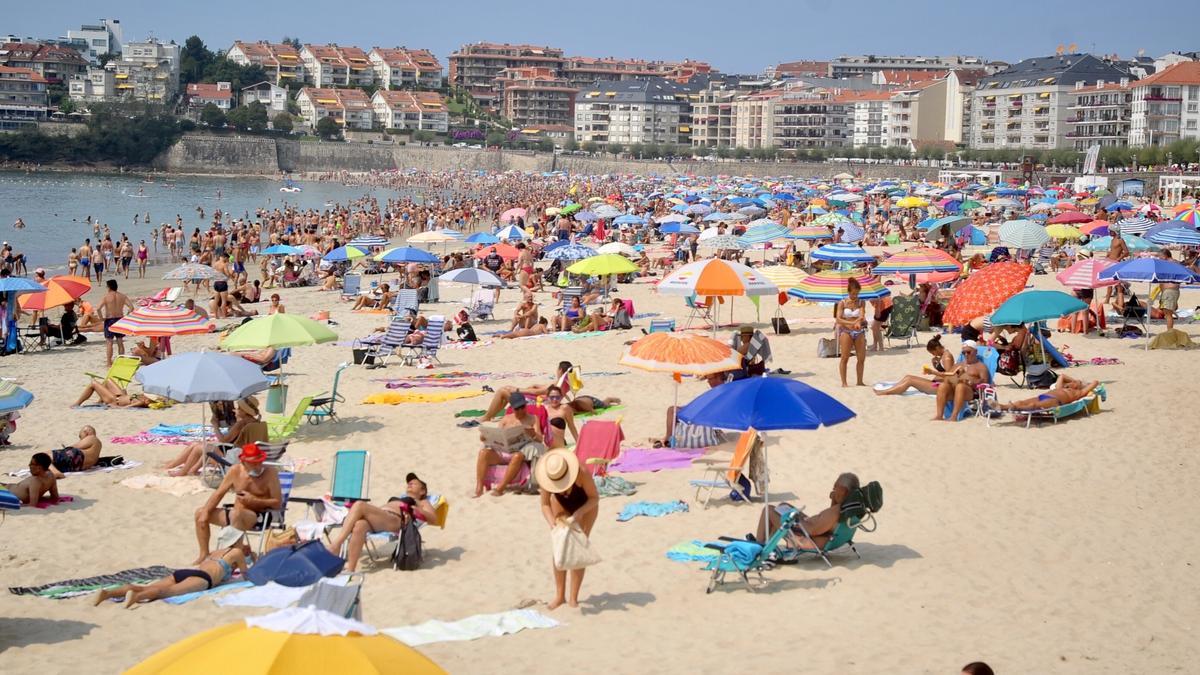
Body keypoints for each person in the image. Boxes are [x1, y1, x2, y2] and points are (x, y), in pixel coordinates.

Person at [326, 473, 439, 572]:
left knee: (359, 505)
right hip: (381, 518)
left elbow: (434, 519)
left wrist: (417, 509)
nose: (409, 483)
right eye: (409, 482)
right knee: (359, 526)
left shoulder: (421, 501)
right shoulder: (400, 497)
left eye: (414, 483)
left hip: (395, 520)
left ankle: (336, 545)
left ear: (422, 490)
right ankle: (351, 568)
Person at [193, 443, 281, 564]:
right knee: (200, 513)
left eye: (259, 461)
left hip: (258, 515)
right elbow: (219, 493)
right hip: (235, 514)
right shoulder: (235, 471)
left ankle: (235, 556)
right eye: (254, 463)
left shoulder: (270, 473)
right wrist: (206, 511)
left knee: (236, 514)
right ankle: (204, 554)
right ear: (244, 462)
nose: (257, 465)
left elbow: (277, 503)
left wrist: (254, 500)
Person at [93, 544, 251, 609]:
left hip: (182, 572)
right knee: (166, 592)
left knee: (149, 586)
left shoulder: (216, 552)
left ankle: (108, 593)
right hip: (203, 579)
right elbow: (246, 575)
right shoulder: (236, 553)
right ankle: (136, 596)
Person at [537, 448, 599, 610]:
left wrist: (579, 513)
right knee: (560, 546)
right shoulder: (547, 476)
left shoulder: (582, 472)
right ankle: (559, 596)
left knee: (577, 547)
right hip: (560, 504)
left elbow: (594, 498)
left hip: (585, 505)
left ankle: (573, 597)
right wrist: (552, 524)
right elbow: (544, 504)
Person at [755, 473, 859, 550]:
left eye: (836, 486)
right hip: (814, 527)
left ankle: (758, 548)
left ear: (844, 490)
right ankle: (768, 544)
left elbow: (811, 530)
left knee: (768, 510)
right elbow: (828, 524)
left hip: (805, 534)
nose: (833, 487)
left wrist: (797, 520)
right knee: (783, 506)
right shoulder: (846, 508)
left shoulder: (835, 513)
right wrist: (834, 498)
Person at [163, 397, 266, 476]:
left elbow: (222, 440)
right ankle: (174, 465)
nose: (236, 410)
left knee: (201, 447)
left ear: (244, 411)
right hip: (247, 455)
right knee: (196, 444)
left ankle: (182, 472)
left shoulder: (241, 423)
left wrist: (215, 425)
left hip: (235, 458)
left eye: (239, 408)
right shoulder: (257, 423)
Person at [474, 392, 545, 497]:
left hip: (520, 453)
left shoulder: (533, 419)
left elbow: (540, 439)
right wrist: (485, 438)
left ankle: (500, 488)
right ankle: (479, 488)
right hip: (503, 451)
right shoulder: (506, 419)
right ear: (512, 408)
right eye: (517, 408)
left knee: (517, 456)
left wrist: (533, 434)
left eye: (522, 407)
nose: (521, 410)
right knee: (483, 453)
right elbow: (498, 436)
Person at [480, 361, 573, 422]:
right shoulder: (565, 384)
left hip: (537, 404)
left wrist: (516, 389)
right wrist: (535, 386)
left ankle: (487, 417)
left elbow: (537, 392)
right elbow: (544, 389)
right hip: (541, 401)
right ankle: (490, 415)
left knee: (503, 391)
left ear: (560, 370)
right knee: (506, 392)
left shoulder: (557, 385)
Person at [874, 335, 955, 396]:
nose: (933, 355)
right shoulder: (942, 356)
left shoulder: (946, 357)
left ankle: (886, 392)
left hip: (941, 387)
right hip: (937, 383)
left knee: (910, 381)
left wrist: (932, 372)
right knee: (908, 377)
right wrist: (935, 365)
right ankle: (891, 389)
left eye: (933, 353)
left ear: (937, 348)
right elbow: (943, 371)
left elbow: (949, 376)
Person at [934, 340, 990, 421]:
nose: (966, 354)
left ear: (975, 351)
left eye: (968, 352)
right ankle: (939, 415)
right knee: (943, 386)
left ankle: (954, 416)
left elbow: (985, 382)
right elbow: (947, 377)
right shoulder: (958, 365)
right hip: (954, 389)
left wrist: (970, 380)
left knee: (960, 386)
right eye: (964, 353)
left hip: (970, 391)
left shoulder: (981, 367)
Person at [993, 375, 1100, 412]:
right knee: (1022, 401)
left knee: (1034, 406)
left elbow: (1096, 382)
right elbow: (1061, 376)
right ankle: (1002, 406)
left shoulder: (1079, 393)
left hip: (1054, 402)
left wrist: (1081, 385)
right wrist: (1074, 381)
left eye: (1077, 382)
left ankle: (1017, 408)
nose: (1073, 381)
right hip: (1044, 396)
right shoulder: (1060, 387)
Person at [835, 277, 868, 387]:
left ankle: (860, 381)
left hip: (859, 331)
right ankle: (844, 382)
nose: (855, 296)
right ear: (848, 292)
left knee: (861, 358)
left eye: (857, 294)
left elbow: (862, 315)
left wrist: (858, 321)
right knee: (845, 357)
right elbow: (838, 319)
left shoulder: (861, 302)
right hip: (846, 331)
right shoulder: (842, 303)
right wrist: (850, 324)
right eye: (853, 293)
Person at [99, 279, 134, 367]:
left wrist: (101, 318)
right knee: (120, 341)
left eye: (107, 286)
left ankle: (109, 362)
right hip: (120, 319)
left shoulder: (106, 297)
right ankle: (121, 360)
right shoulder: (122, 296)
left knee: (109, 342)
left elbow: (98, 308)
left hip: (109, 320)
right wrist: (127, 316)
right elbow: (131, 307)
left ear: (109, 287)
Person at [73, 379, 152, 409]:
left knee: (93, 383)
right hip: (121, 395)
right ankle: (100, 401)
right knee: (108, 380)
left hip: (114, 400)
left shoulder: (140, 402)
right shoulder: (142, 398)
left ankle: (77, 403)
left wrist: (115, 406)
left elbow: (125, 408)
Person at [1158, 249, 1180, 331]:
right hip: (1172, 291)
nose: (1159, 260)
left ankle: (1169, 332)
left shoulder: (1169, 264)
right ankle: (1169, 331)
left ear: (1164, 256)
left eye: (1160, 257)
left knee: (1168, 315)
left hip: (1169, 291)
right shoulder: (1175, 263)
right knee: (1168, 313)